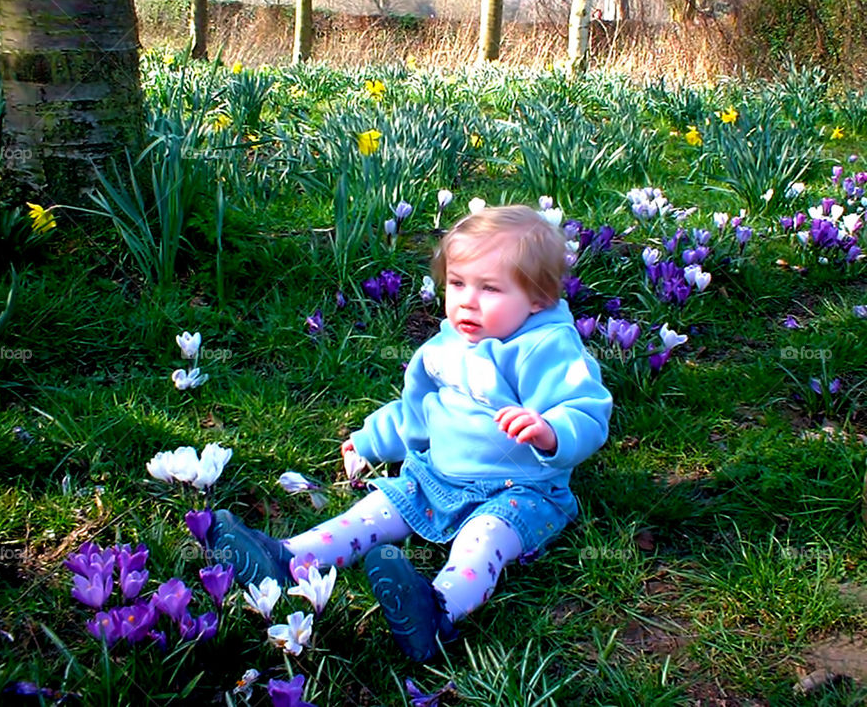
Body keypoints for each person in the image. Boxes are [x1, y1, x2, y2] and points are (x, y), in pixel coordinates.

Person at [208, 204, 612, 661]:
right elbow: (418, 411)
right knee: (371, 511)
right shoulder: (444, 346)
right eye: (457, 283)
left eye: (490, 289)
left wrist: (551, 431)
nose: (467, 301)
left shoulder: (547, 347)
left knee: (482, 544)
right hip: (434, 478)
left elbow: (587, 410)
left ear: (537, 298)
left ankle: (435, 611)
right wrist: (369, 439)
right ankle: (288, 559)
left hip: (519, 491)